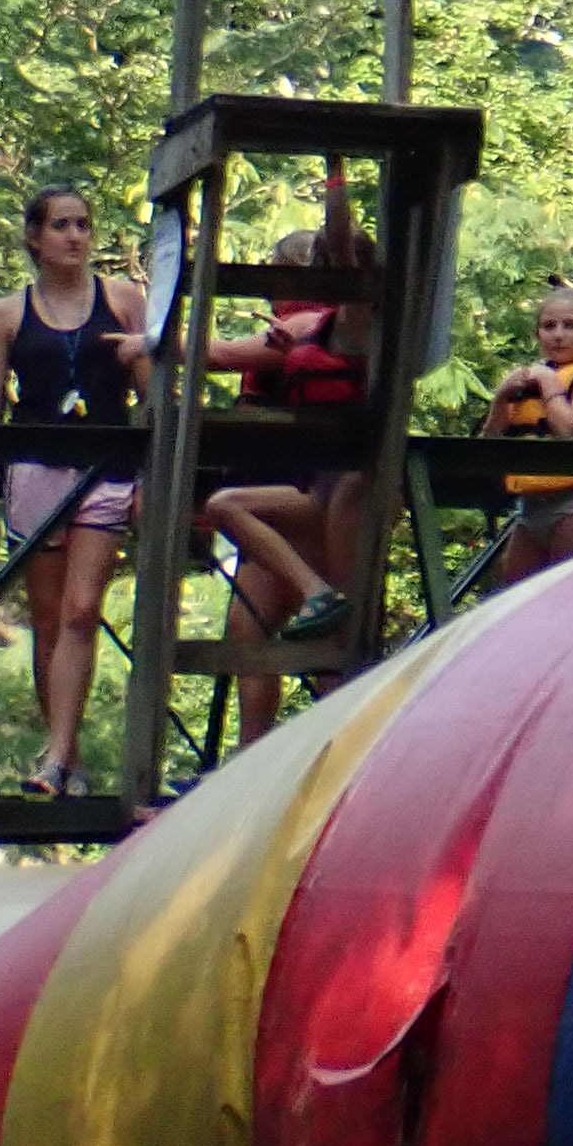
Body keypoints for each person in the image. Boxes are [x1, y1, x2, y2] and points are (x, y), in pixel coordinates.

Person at [0, 186, 149, 799]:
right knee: (48, 620)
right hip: (35, 472)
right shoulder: (7, 316)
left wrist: (150, 479)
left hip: (106, 469)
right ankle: (64, 758)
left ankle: (56, 753)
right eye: (61, 225)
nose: (75, 236)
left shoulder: (124, 301)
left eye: (83, 224)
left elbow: (154, 398)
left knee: (81, 612)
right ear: (35, 237)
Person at [202, 183, 376, 741]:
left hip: (345, 482)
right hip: (301, 481)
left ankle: (351, 750)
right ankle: (253, 757)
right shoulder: (309, 329)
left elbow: (221, 354)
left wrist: (336, 173)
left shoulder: (358, 319)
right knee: (249, 626)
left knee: (340, 641)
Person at [476, 282, 573, 590]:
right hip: (529, 507)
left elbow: (571, 432)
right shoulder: (533, 376)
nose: (558, 334)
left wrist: (549, 383)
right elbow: (489, 446)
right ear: (538, 333)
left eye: (570, 325)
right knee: (517, 600)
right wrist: (501, 399)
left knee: (570, 597)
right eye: (549, 326)